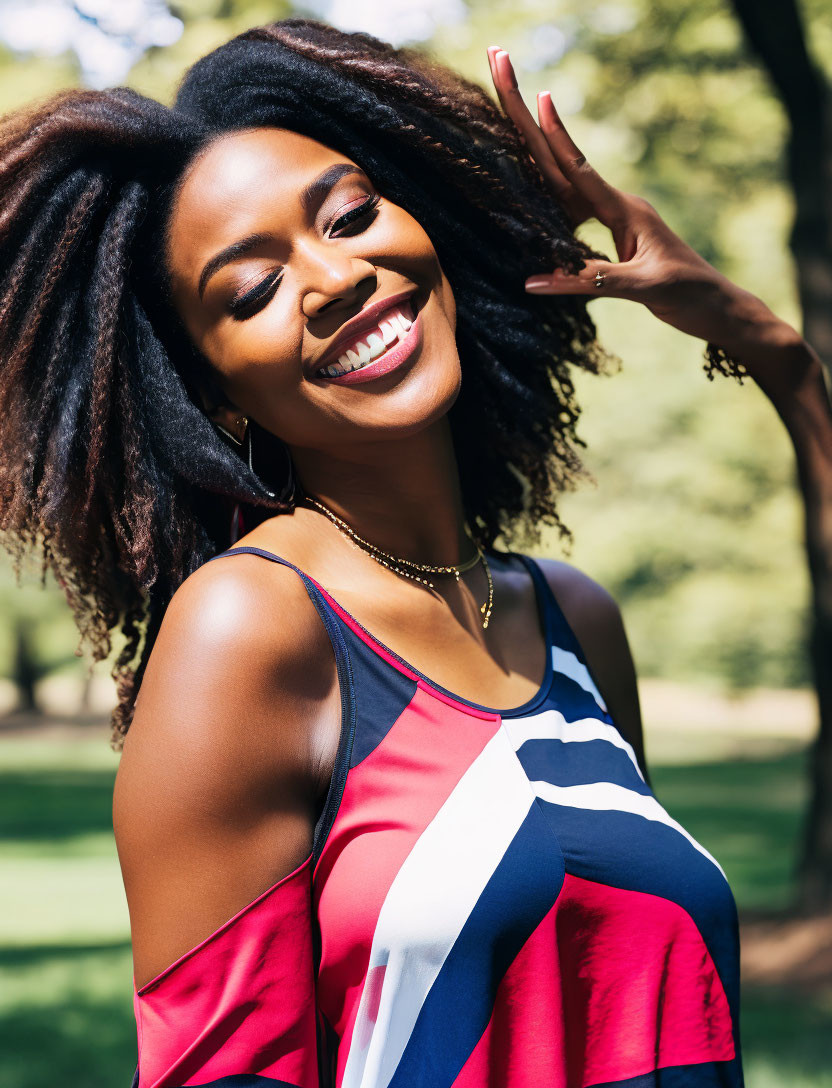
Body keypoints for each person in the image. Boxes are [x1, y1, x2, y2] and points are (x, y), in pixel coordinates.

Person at [1, 18, 829, 1088]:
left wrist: (776, 355)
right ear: (210, 390)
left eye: (349, 215)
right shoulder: (252, 627)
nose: (332, 276)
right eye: (250, 289)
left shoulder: (573, 619)